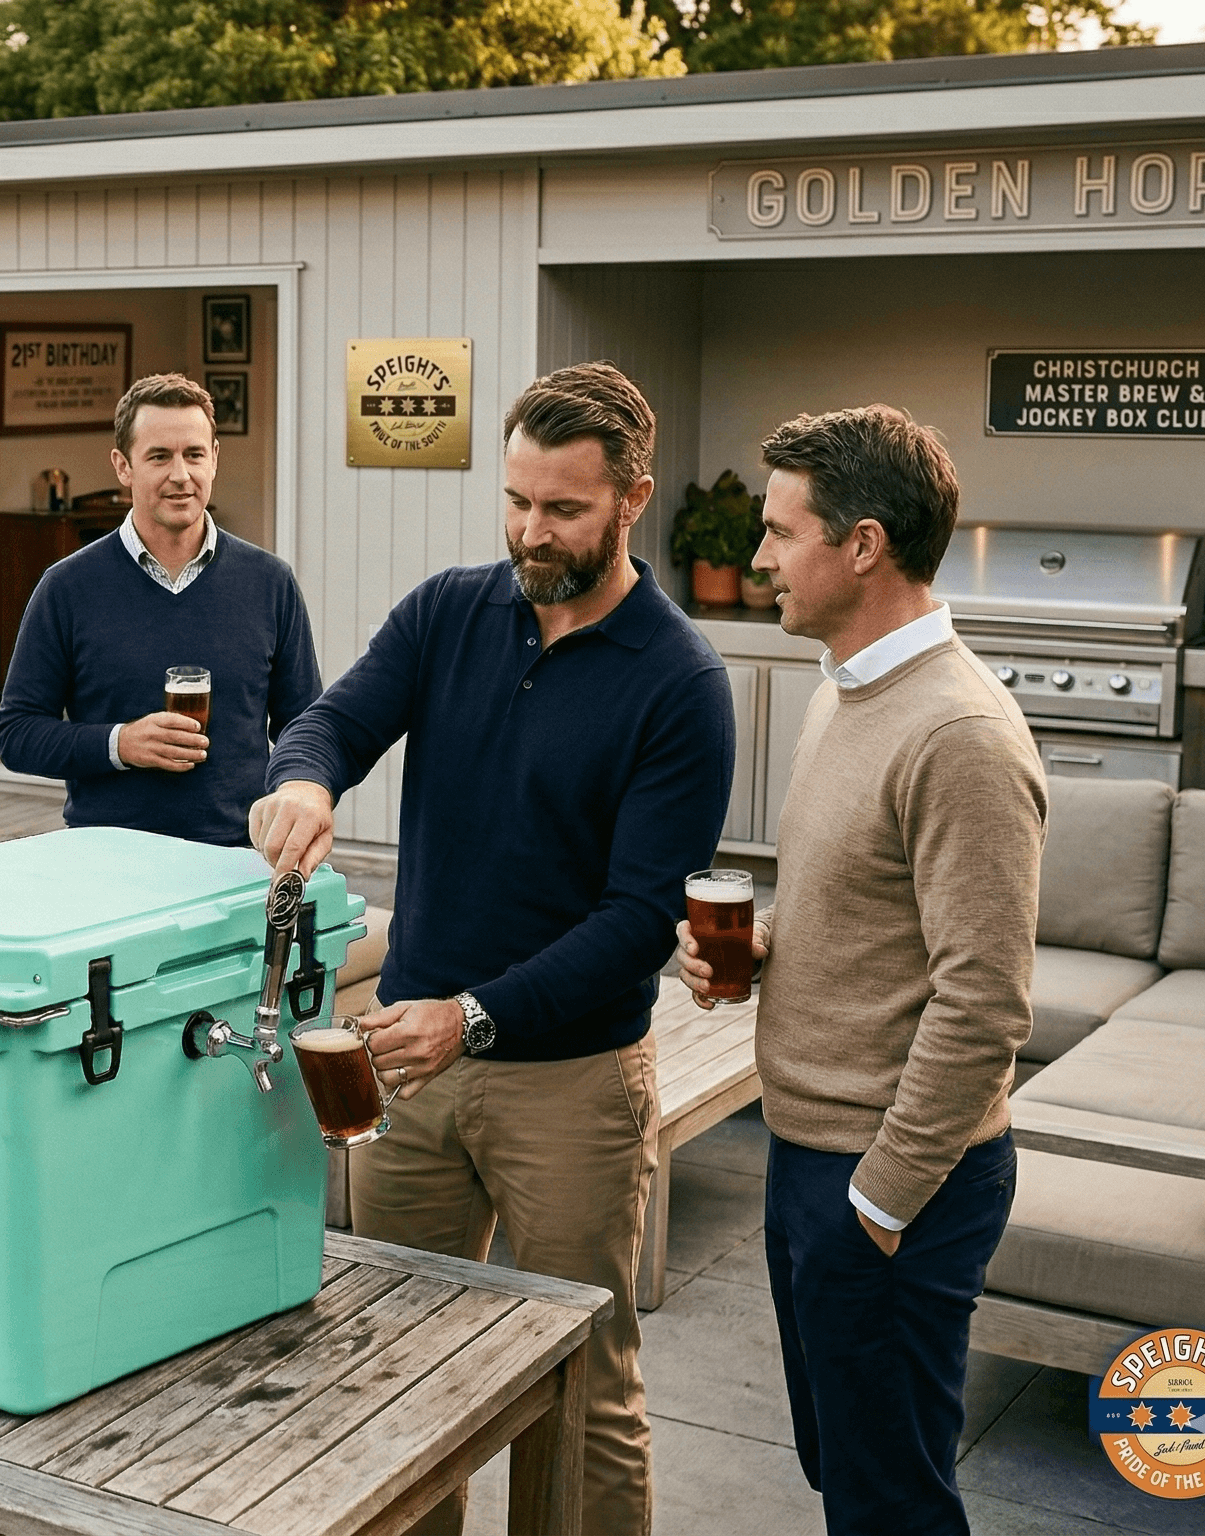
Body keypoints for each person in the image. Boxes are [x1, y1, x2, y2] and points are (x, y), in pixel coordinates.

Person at [249, 362, 735, 1536]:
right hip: (409, 1076)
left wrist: (467, 1014)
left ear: (630, 499)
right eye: (515, 499)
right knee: (396, 1366)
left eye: (560, 508)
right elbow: (332, 718)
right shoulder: (446, 611)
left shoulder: (680, 682)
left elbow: (634, 922)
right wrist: (301, 781)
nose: (528, 529)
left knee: (584, 1381)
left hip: (568, 1086)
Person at [678, 406, 1042, 1536]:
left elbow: (983, 1003)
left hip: (892, 1184)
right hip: (809, 1156)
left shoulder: (958, 737)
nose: (755, 557)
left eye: (781, 533)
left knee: (890, 1502)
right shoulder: (843, 689)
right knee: (842, 1471)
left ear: (862, 545)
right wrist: (753, 951)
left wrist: (875, 1206)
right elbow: (853, 901)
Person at [0, 373, 321, 845]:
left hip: (237, 860)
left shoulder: (270, 582)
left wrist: (299, 794)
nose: (180, 475)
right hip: (108, 858)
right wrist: (120, 744)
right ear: (123, 466)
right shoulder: (67, 587)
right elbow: (17, 735)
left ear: (214, 460)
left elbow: (304, 726)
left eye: (194, 454)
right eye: (159, 456)